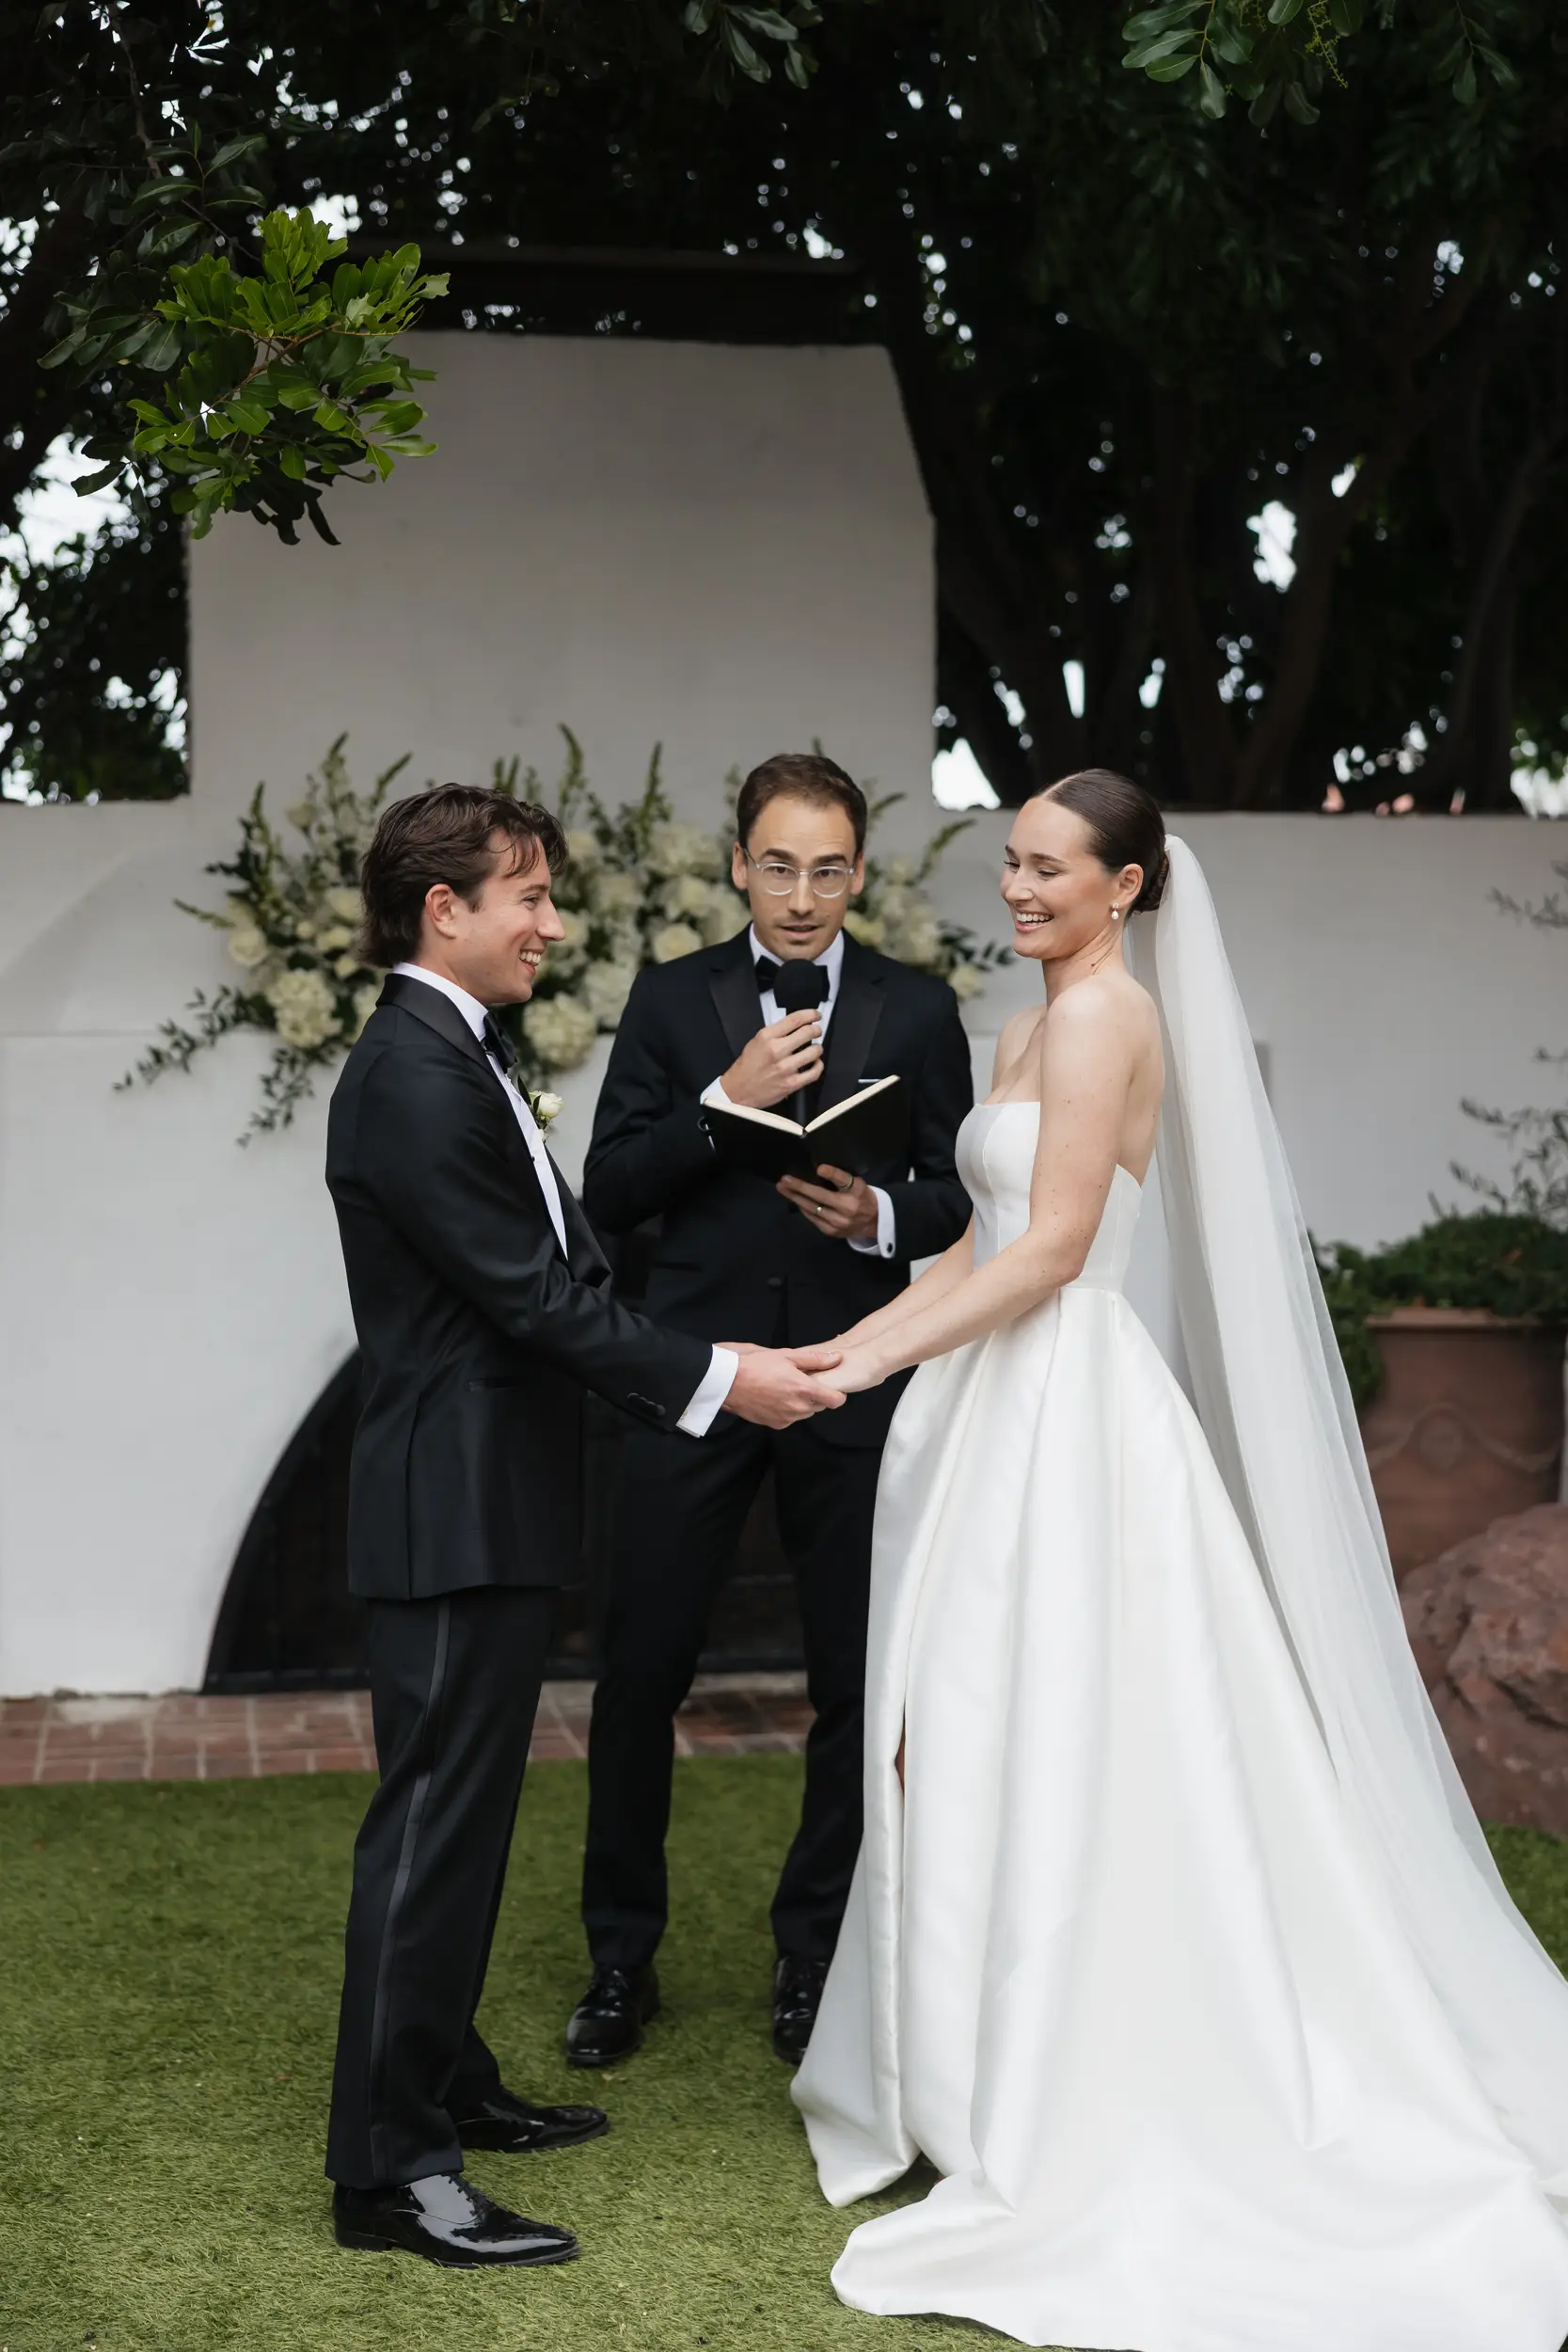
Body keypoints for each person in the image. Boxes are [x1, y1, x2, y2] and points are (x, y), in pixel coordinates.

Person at [793, 770, 1568, 2351]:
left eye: (1047, 871)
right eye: (1006, 863)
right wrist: (846, 1343)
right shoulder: (1027, 1025)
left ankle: (1086, 2069)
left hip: (1068, 1408)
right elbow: (963, 1246)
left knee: (1080, 1729)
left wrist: (866, 1367)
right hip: (981, 1408)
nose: (1015, 890)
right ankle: (966, 2061)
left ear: (1126, 888)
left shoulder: (1104, 1025)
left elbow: (1055, 1249)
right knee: (964, 1729)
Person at [322, 783, 841, 2271]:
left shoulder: (453, 1052)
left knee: (464, 1824)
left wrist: (717, 1120)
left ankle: (440, 2078)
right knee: (427, 1831)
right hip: (448, 1503)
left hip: (492, 1495)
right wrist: (717, 1378)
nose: (551, 923)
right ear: (446, 910)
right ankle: (389, 2174)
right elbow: (532, 1299)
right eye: (528, 897)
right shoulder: (415, 1075)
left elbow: (571, 1245)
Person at [565, 753, 974, 2071]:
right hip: (693, 1373)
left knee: (855, 1681)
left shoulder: (916, 1007)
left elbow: (961, 1194)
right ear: (737, 864)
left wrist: (885, 1216)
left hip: (855, 1374)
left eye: (828, 868)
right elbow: (610, 1189)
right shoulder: (672, 999)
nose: (802, 896)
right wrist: (724, 1104)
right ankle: (621, 1962)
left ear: (860, 873)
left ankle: (817, 1959)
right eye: (778, 864)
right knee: (640, 1674)